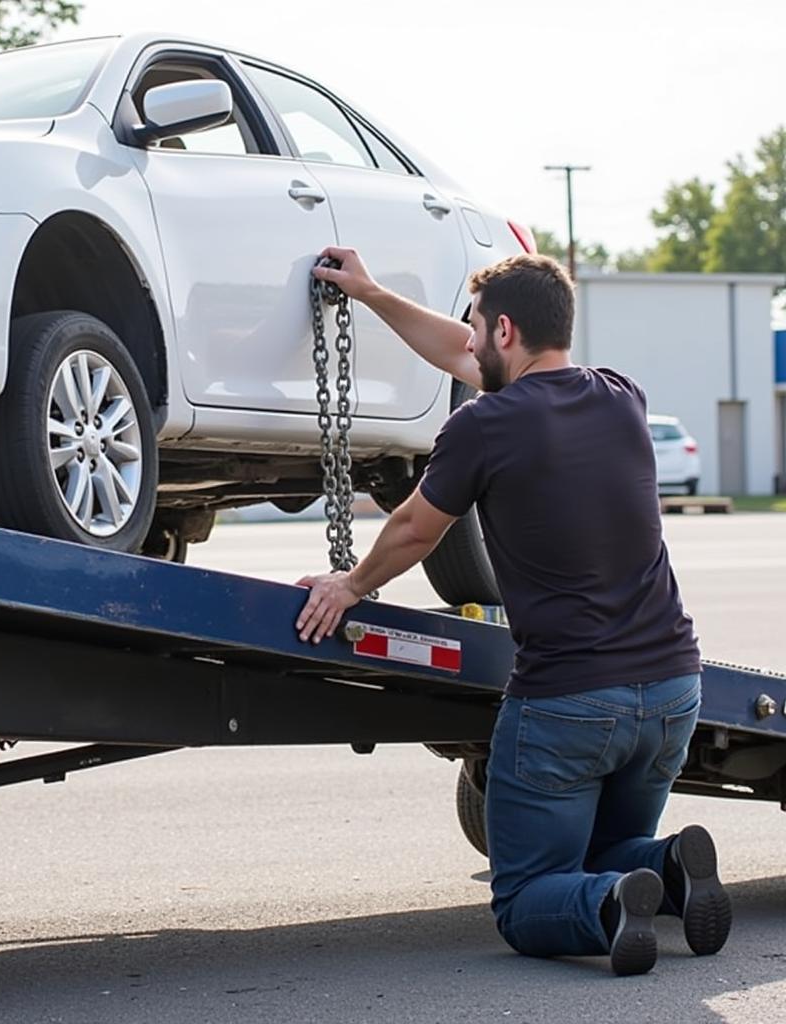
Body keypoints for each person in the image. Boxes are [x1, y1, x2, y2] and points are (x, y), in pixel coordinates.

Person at [295, 246, 731, 976]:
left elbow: (414, 528)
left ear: (503, 333)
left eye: (475, 327)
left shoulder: (486, 427)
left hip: (570, 702)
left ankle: (612, 902)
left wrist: (350, 585)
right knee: (594, 854)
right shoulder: (622, 397)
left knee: (526, 895)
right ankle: (671, 871)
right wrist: (371, 293)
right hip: (672, 692)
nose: (466, 341)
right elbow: (465, 354)